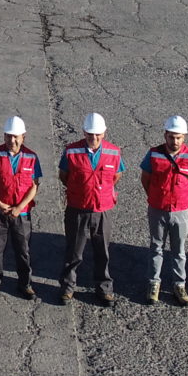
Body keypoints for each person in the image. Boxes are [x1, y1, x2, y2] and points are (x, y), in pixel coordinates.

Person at [57, 113, 122, 305]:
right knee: (74, 252)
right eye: (89, 135)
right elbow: (64, 175)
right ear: (84, 132)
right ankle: (68, 287)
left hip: (102, 209)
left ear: (104, 133)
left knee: (102, 251)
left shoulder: (114, 152)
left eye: (97, 135)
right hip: (78, 208)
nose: (93, 139)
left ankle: (104, 288)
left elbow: (116, 176)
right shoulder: (71, 151)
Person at [140, 116, 188, 304]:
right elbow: (146, 178)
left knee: (179, 250)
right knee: (156, 247)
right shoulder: (153, 154)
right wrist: (155, 196)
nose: (174, 141)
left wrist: (181, 197)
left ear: (184, 137)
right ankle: (154, 284)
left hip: (181, 209)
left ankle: (179, 285)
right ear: (165, 135)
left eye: (178, 137)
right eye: (171, 137)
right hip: (158, 208)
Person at [0, 116, 41, 298]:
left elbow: (34, 186)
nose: (11, 140)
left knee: (23, 250)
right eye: (8, 136)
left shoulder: (31, 157)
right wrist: (0, 205)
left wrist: (19, 207)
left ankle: (25, 283)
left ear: (23, 137)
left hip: (21, 214)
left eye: (15, 137)